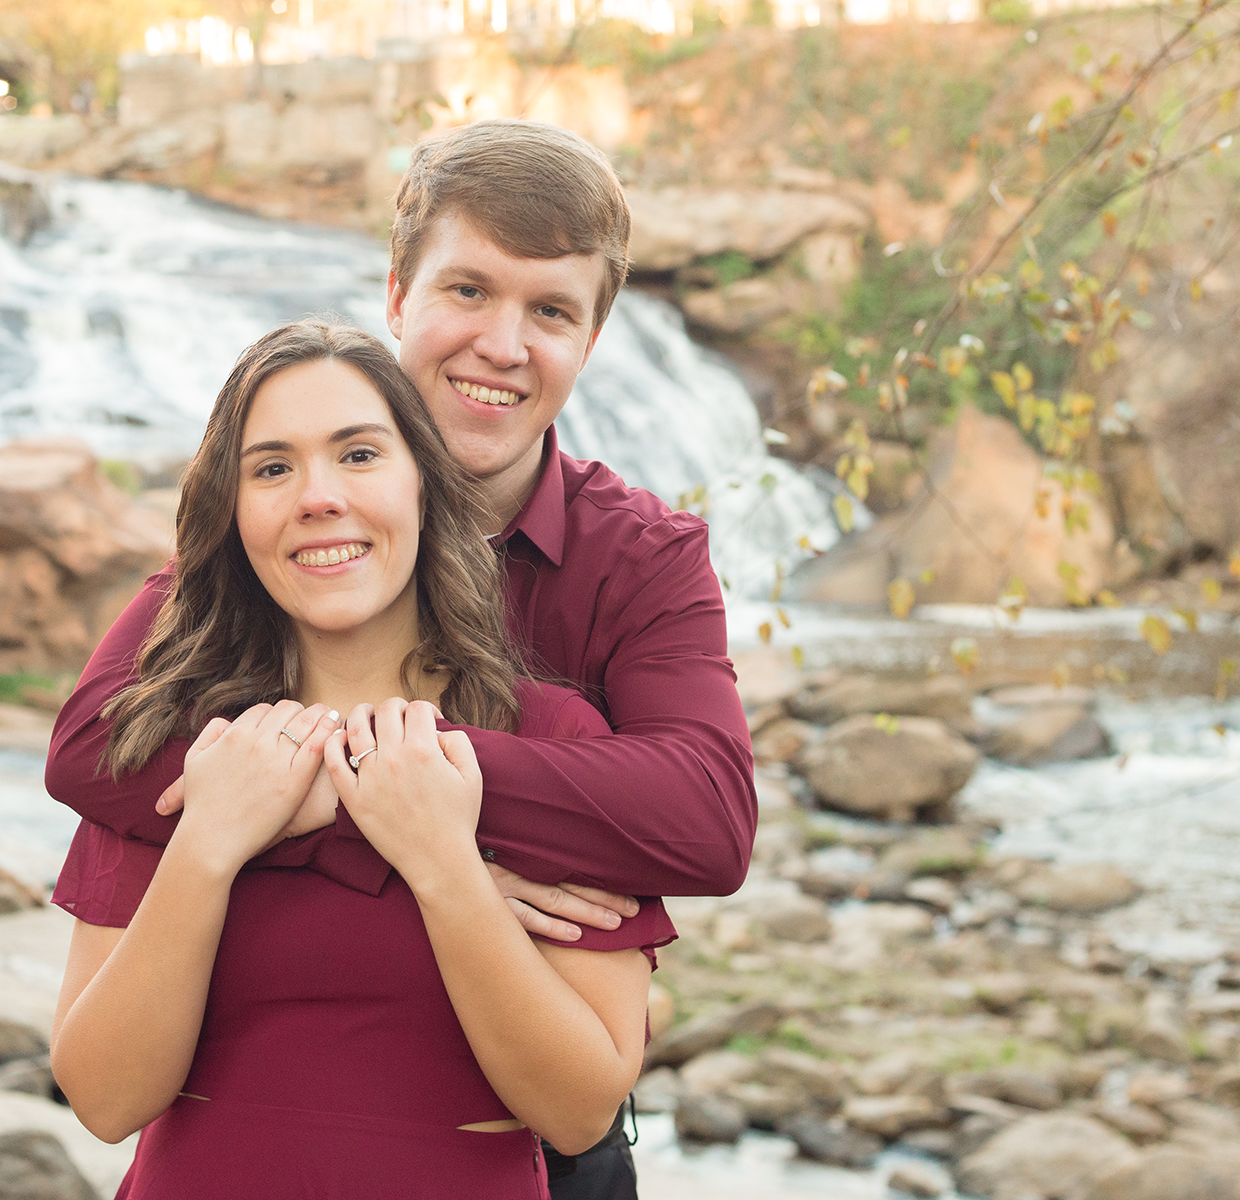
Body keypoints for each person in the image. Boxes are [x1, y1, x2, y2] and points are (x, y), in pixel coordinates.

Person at [47, 118, 757, 1197]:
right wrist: (350, 814)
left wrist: (429, 814)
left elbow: (704, 819)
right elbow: (92, 744)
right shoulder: (246, 606)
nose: (503, 346)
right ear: (398, 295)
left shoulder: (638, 561)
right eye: (468, 291)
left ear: (593, 338)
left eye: (551, 311)